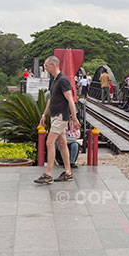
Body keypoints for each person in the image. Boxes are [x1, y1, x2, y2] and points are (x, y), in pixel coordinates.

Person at [35, 56, 81, 184]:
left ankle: (48, 174)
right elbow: (51, 98)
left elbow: (70, 100)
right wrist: (44, 115)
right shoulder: (53, 80)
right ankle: (68, 172)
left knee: (49, 142)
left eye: (46, 65)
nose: (45, 68)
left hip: (61, 116)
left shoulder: (63, 80)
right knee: (62, 144)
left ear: (53, 65)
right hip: (54, 116)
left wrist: (74, 118)